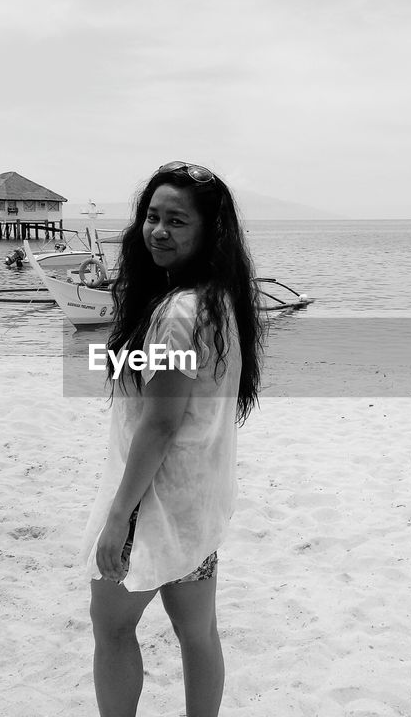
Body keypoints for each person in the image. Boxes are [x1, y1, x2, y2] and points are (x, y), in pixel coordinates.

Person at [78, 161, 263, 716]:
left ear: (209, 231)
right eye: (152, 217)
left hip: (154, 502)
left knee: (110, 627)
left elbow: (160, 424)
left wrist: (117, 518)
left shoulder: (177, 313)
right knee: (199, 632)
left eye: (177, 221)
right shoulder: (218, 300)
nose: (158, 231)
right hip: (196, 502)